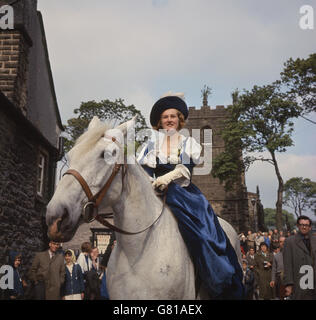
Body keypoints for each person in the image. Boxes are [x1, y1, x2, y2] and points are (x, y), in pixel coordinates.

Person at [137, 92, 244, 299]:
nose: (169, 120)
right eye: (165, 116)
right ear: (159, 121)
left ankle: (211, 278)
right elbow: (142, 169)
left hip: (180, 191)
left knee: (201, 233)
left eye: (173, 116)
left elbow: (185, 170)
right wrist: (150, 182)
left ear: (180, 120)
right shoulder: (149, 145)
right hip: (150, 189)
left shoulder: (188, 144)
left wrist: (165, 180)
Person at [283, 215, 316, 300]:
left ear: (310, 227)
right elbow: (287, 264)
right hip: (299, 280)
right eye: (302, 225)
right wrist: (289, 284)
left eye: (306, 225)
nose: (304, 227)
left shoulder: (314, 239)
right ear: (297, 226)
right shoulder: (289, 241)